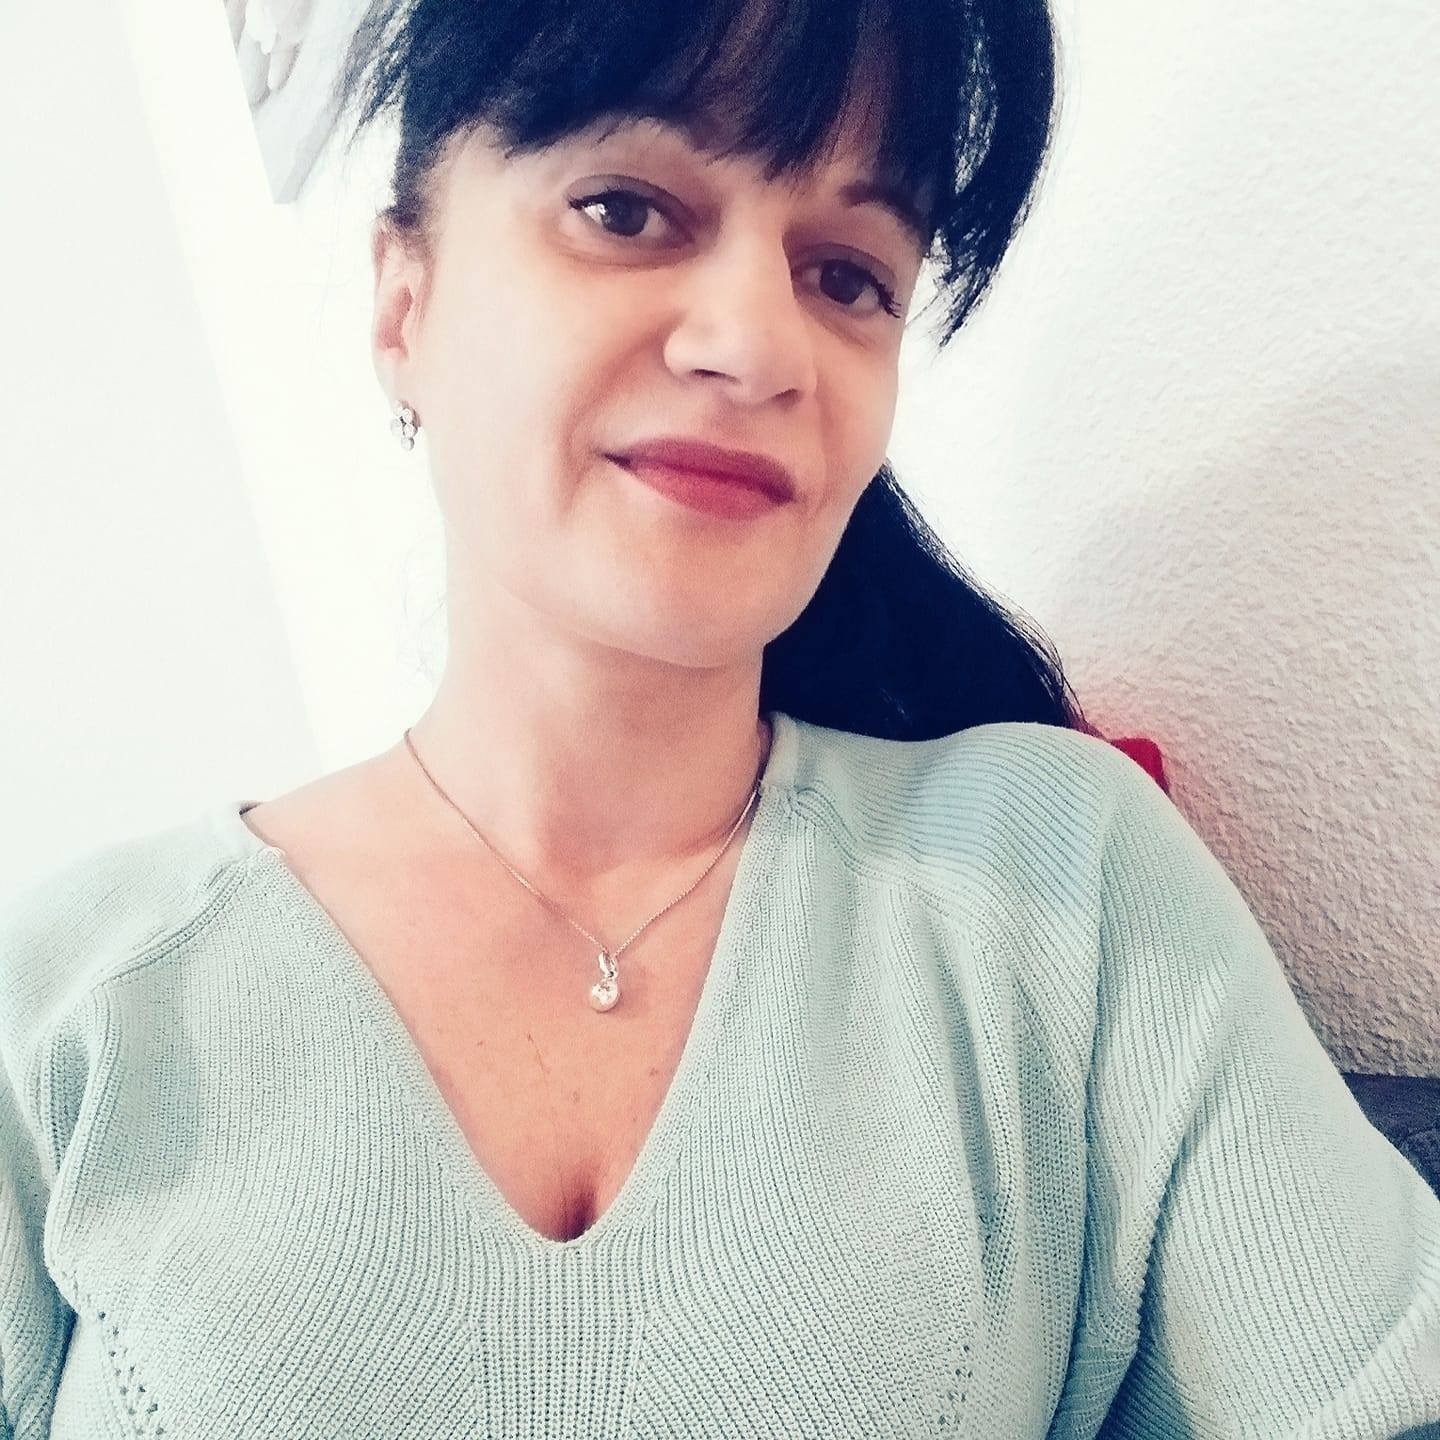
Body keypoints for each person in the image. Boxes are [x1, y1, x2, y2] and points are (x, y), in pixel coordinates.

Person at [3, 0, 1438, 1435]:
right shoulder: (72, 999)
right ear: (404, 304)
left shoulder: (1061, 884)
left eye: (849, 276)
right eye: (625, 210)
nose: (759, 346)